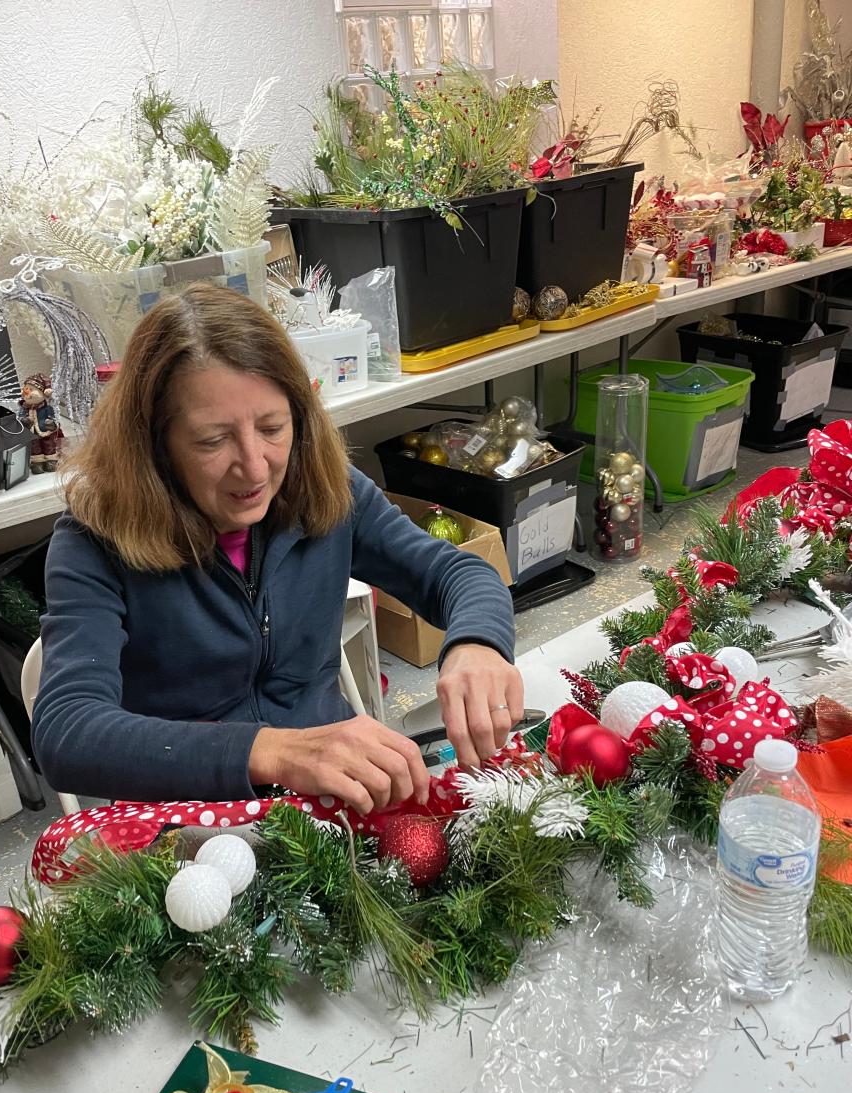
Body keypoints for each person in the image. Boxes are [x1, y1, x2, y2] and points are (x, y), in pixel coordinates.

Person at [32, 283, 523, 815]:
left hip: (327, 799)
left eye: (272, 428)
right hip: (190, 826)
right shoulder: (93, 541)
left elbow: (456, 574)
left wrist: (477, 644)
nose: (255, 465)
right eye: (212, 440)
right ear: (153, 446)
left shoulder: (329, 489)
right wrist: (271, 750)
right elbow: (67, 732)